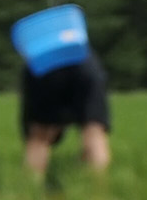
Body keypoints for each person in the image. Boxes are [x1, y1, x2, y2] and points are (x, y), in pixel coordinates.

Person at [20, 47, 111, 178]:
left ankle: (30, 192)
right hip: (81, 59)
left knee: (40, 137)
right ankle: (98, 192)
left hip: (43, 62)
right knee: (94, 131)